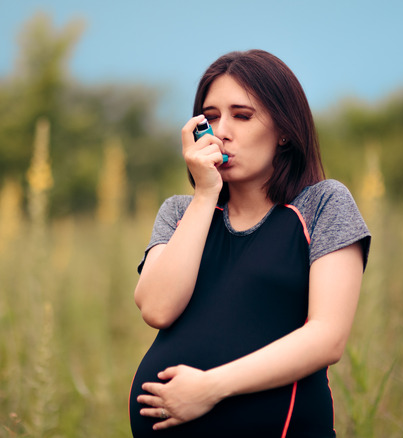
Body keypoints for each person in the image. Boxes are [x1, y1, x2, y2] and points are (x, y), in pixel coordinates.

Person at [128, 49, 371, 438]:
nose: (221, 131)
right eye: (209, 118)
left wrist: (210, 388)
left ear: (285, 130)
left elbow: (328, 337)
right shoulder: (179, 213)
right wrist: (207, 195)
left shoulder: (322, 205)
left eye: (242, 116)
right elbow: (157, 308)